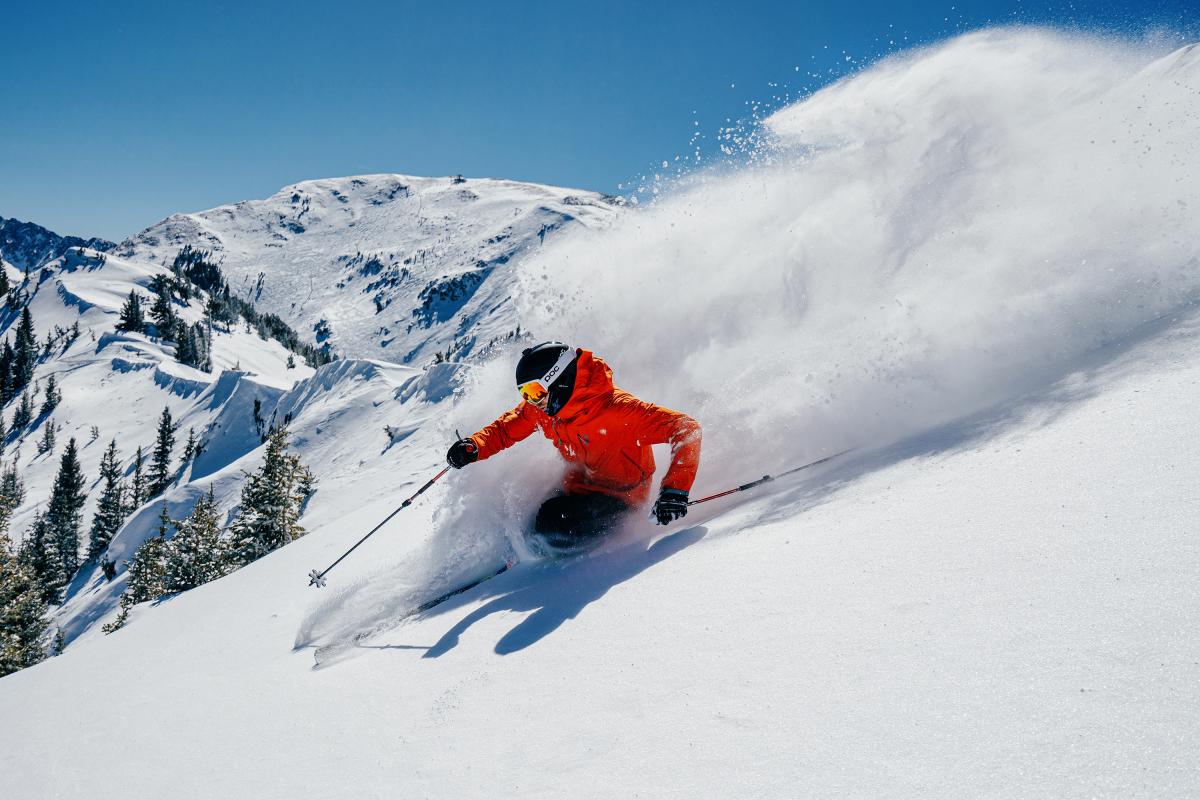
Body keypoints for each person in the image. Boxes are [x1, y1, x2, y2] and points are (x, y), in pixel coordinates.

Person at [446, 342, 702, 551]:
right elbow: (506, 428)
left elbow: (685, 428)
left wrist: (674, 490)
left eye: (535, 391)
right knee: (519, 514)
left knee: (551, 524)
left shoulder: (617, 410)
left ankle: (542, 564)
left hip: (620, 497)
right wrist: (475, 446)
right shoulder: (546, 409)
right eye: (525, 393)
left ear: (561, 379)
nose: (532, 401)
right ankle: (522, 552)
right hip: (578, 486)